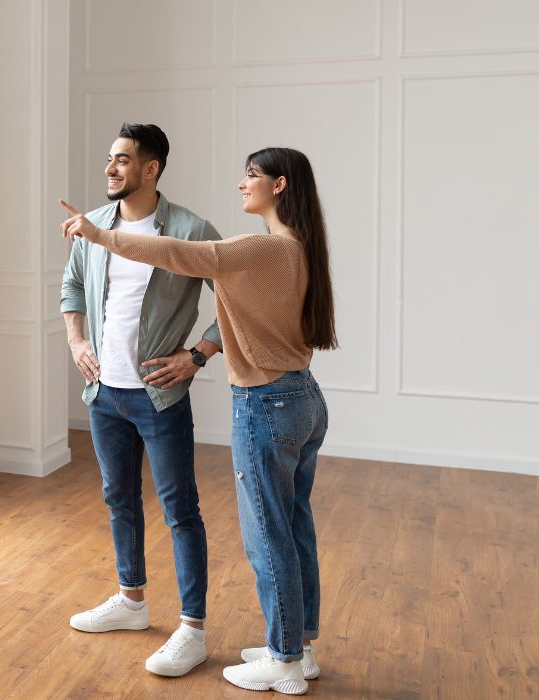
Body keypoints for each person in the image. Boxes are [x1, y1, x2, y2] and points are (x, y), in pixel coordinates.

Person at [61, 145, 337, 695]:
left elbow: (178, 253)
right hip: (301, 396)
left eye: (251, 176)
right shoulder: (297, 247)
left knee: (268, 536)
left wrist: (101, 235)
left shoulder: (260, 248)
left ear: (279, 186)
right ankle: (299, 647)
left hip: (266, 404)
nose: (242, 184)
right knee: (293, 525)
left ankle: (283, 660)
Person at [60, 123, 223, 678]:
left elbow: (235, 293)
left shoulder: (190, 229)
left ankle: (193, 629)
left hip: (160, 397)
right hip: (104, 395)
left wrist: (197, 355)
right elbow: (73, 288)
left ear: (152, 169)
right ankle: (131, 602)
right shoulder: (96, 224)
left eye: (123, 160)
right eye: (110, 158)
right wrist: (77, 339)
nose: (111, 168)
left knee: (181, 510)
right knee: (119, 499)